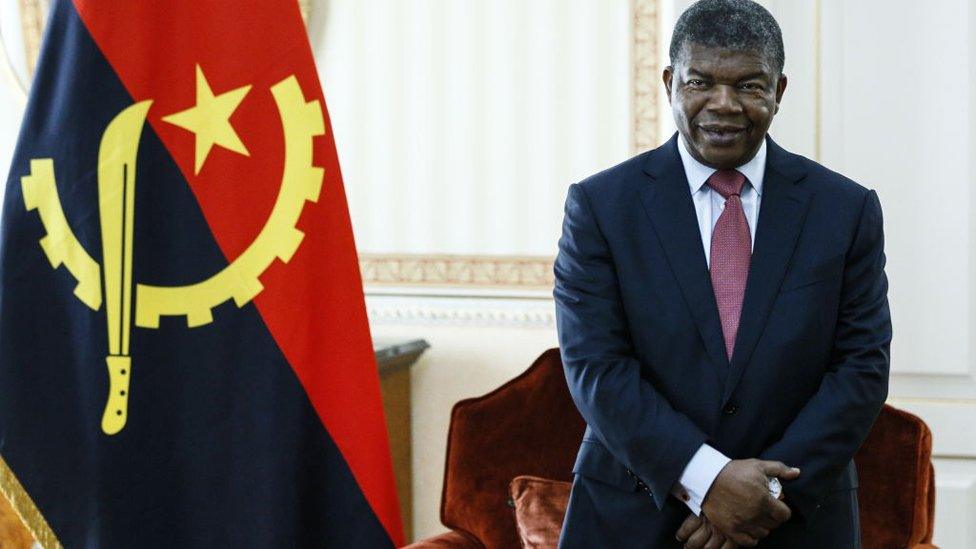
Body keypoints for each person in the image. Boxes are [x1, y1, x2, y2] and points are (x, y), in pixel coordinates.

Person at [552, 0, 890, 547]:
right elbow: (596, 367)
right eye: (700, 82)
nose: (723, 105)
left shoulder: (845, 210)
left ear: (779, 91)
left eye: (749, 86)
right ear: (669, 83)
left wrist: (762, 499)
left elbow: (861, 368)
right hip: (634, 515)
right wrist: (708, 482)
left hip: (793, 519)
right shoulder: (601, 206)